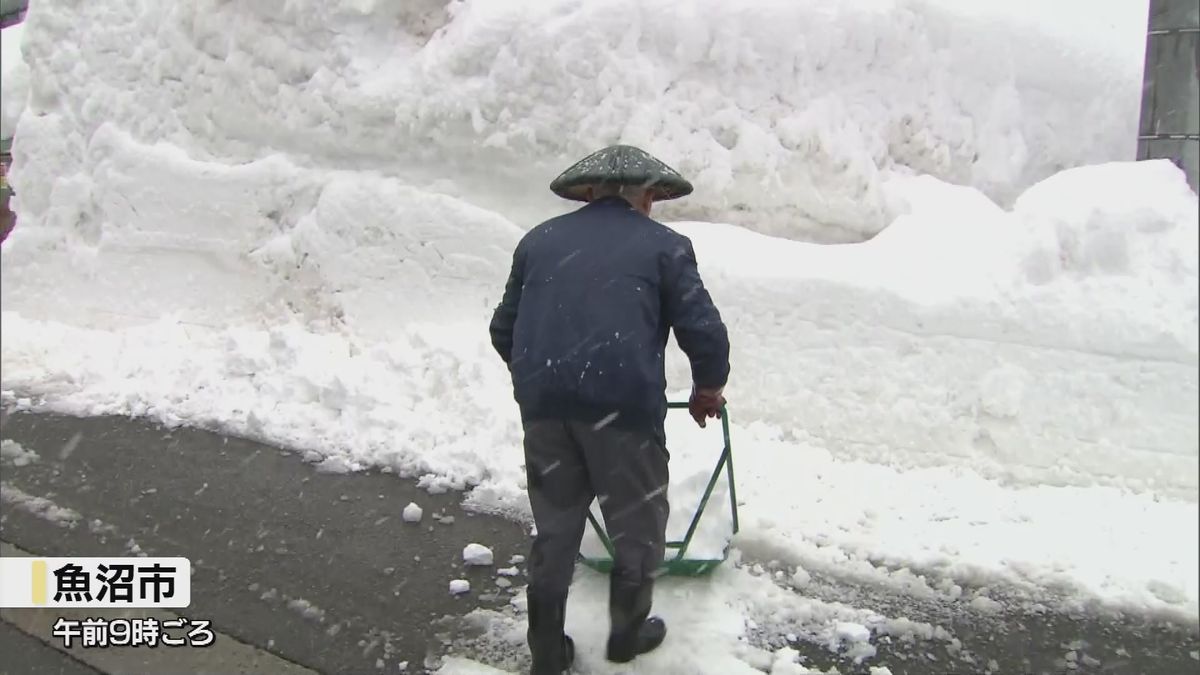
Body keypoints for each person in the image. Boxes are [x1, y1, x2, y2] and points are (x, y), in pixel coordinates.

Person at [489, 144, 730, 674]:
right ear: (646, 196)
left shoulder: (539, 241)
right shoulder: (665, 247)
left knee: (556, 528)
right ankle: (626, 635)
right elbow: (704, 331)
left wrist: (546, 378)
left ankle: (547, 651)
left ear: (590, 193)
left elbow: (502, 330)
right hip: (622, 412)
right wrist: (708, 389)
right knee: (638, 526)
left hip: (545, 411)